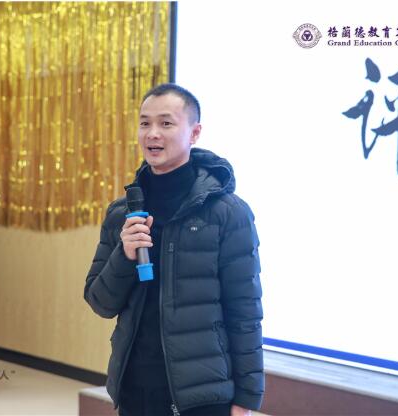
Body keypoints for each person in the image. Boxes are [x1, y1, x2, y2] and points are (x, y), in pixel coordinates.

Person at [84, 84, 264, 416]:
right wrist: (124, 255)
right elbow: (100, 302)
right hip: (136, 387)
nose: (152, 133)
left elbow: (245, 311)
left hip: (203, 395)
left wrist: (247, 399)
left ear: (194, 132)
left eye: (166, 123)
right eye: (144, 123)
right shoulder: (123, 213)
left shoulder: (228, 213)